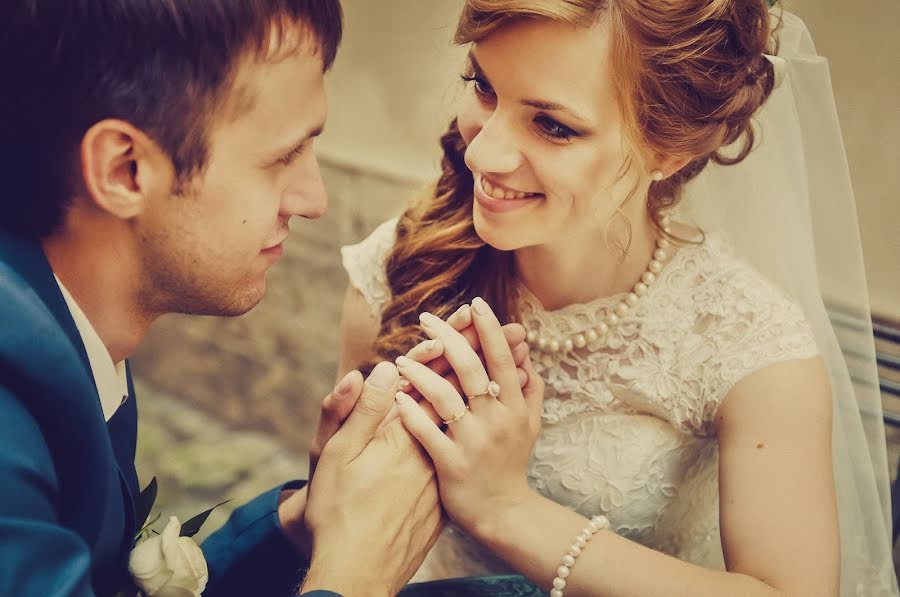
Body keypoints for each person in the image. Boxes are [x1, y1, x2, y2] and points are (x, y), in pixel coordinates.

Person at [338, 1, 898, 595]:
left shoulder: (749, 345)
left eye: (553, 125)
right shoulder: (402, 264)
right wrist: (329, 484)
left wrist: (506, 510)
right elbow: (342, 539)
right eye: (483, 85)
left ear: (669, 150)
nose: (482, 154)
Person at [0, 1, 534, 595]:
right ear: (125, 170)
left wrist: (304, 522)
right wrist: (355, 573)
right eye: (284, 156)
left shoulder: (62, 331)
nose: (314, 200)